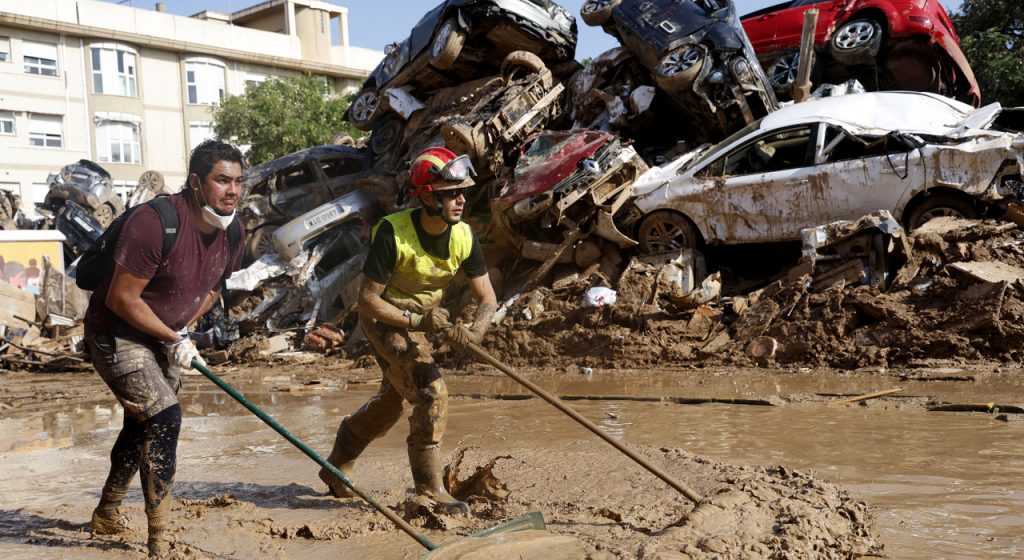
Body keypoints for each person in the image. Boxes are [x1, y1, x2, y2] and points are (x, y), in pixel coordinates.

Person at [84, 140, 245, 557]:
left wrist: (184, 331)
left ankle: (106, 513)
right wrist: (172, 336)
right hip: (115, 332)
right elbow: (121, 298)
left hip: (166, 334)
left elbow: (213, 287)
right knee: (166, 417)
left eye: (239, 182)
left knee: (143, 425)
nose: (232, 191)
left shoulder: (234, 231)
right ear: (196, 182)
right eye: (222, 180)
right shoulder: (154, 223)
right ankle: (159, 541)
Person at [319, 146, 497, 514]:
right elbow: (367, 301)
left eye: (463, 192)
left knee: (392, 401)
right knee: (431, 394)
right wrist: (417, 320)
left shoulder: (463, 236)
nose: (461, 200)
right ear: (427, 197)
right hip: (388, 321)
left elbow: (487, 299)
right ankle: (430, 491)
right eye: (451, 194)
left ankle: (338, 464)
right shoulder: (393, 232)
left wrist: (476, 331)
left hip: (424, 321)